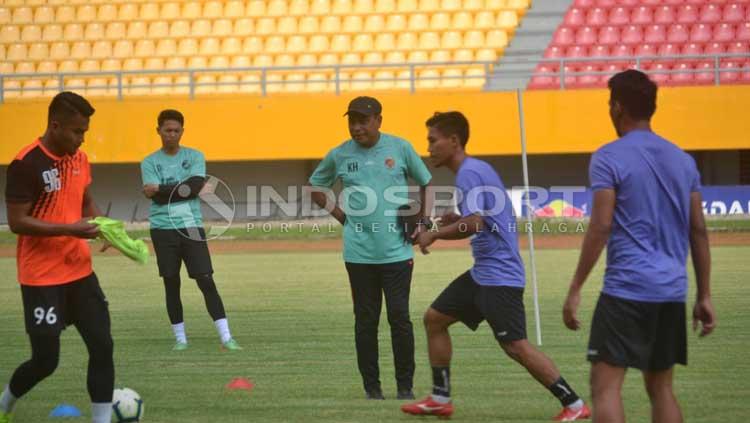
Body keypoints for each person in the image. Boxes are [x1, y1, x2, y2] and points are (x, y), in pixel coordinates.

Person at [402, 111, 591, 421]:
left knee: (515, 346)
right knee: (435, 319)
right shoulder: (476, 169)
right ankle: (440, 398)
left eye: (433, 141)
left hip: (499, 278)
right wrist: (453, 219)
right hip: (484, 275)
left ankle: (574, 405)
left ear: (454, 141)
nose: (429, 147)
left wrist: (433, 234)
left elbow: (475, 224)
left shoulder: (469, 173)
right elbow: (482, 216)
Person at [562, 70, 716, 423]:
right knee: (661, 389)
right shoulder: (683, 160)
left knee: (605, 386)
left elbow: (601, 225)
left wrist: (575, 289)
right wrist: (704, 295)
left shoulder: (608, 156)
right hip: (671, 292)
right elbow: (699, 231)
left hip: (625, 290)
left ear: (617, 107)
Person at [309, 96, 432, 400]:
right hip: (359, 255)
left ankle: (405, 387)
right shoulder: (339, 154)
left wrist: (425, 222)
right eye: (352, 121)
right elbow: (315, 187)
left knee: (400, 318)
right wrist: (343, 217)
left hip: (398, 253)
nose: (357, 127)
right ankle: (372, 388)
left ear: (379, 120)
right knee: (366, 322)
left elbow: (426, 182)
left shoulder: (400, 148)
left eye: (363, 121)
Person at [1, 92, 114, 423]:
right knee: (46, 361)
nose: (82, 139)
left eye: (85, 132)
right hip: (42, 278)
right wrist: (71, 230)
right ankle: (6, 402)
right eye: (77, 132)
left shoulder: (79, 158)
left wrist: (105, 227)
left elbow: (85, 199)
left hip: (80, 272)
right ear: (55, 125)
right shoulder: (26, 164)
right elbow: (17, 222)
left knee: (102, 345)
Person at [140, 109, 241, 351]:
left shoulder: (195, 156)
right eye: (167, 130)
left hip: (191, 226)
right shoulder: (149, 161)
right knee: (171, 282)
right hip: (162, 228)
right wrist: (182, 189)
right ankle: (180, 339)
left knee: (206, 280)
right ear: (158, 131)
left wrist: (161, 189)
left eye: (176, 131)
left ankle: (226, 337)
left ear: (182, 131)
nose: (172, 135)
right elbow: (167, 196)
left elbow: (194, 188)